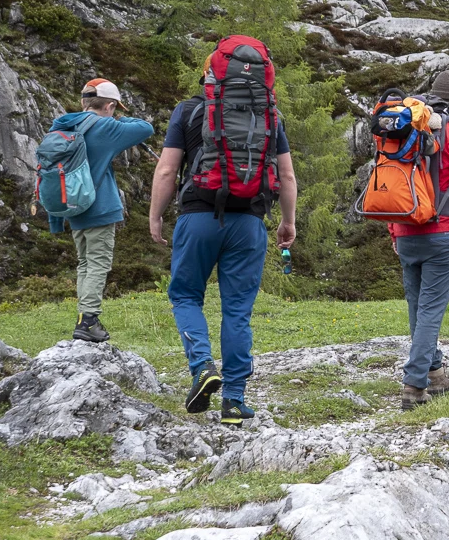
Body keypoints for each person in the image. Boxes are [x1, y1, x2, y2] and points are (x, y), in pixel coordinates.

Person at [147, 59, 297, 425]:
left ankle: (201, 366)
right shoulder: (270, 117)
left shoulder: (188, 111)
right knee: (237, 311)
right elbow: (287, 175)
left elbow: (167, 169)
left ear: (208, 78)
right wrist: (287, 221)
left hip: (198, 216)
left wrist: (155, 215)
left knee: (184, 295)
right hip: (249, 222)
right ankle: (233, 400)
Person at [389, 70, 449, 410]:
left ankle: (436, 373)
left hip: (405, 230)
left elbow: (395, 180)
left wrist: (395, 229)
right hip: (444, 233)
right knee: (430, 310)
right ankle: (414, 385)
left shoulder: (407, 126)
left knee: (418, 308)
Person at [45, 79, 154, 343]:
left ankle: (84, 316)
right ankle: (89, 321)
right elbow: (145, 128)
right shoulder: (106, 126)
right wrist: (119, 120)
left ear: (84, 103)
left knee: (85, 263)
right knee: (97, 264)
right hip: (99, 206)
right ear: (109, 105)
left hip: (73, 206)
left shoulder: (66, 125)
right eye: (115, 108)